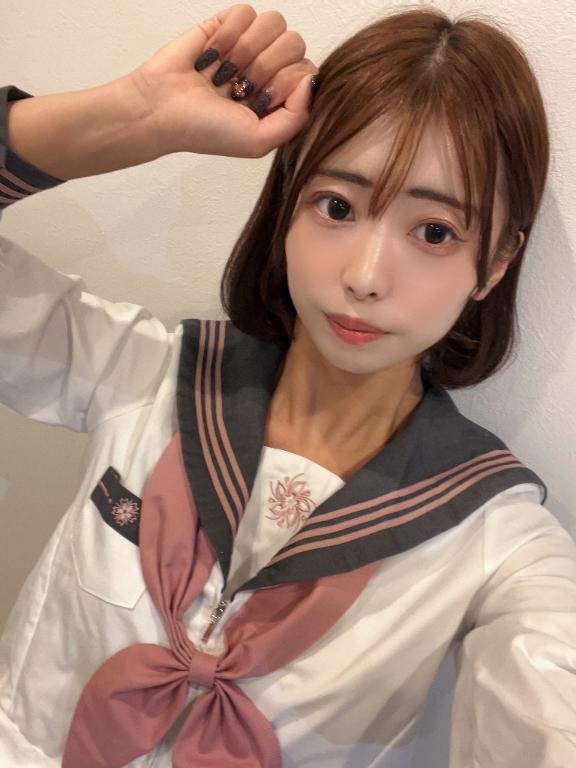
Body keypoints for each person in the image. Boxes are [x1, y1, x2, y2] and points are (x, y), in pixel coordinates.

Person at [1, 3, 575, 766]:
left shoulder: (496, 541)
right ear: (287, 210)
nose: (365, 277)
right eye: (336, 206)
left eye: (435, 231)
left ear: (495, 264)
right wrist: (133, 115)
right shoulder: (146, 372)